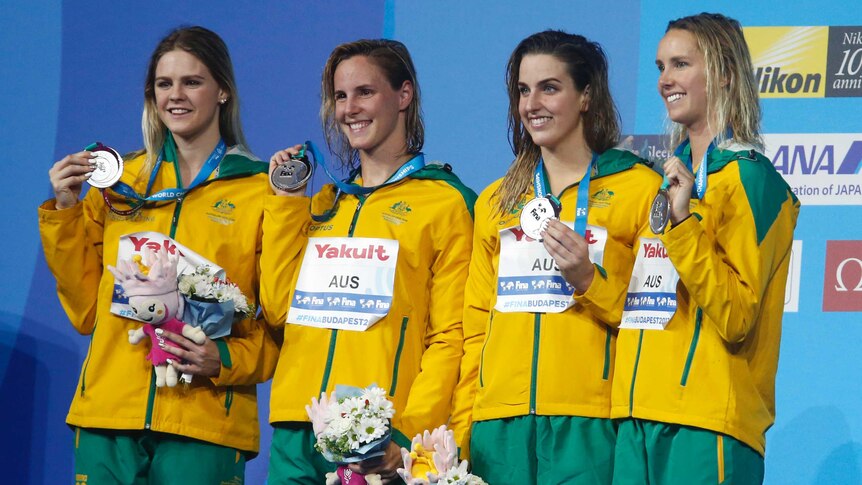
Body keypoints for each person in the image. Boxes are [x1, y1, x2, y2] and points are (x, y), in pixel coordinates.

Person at [39, 26, 274, 483]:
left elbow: (279, 326)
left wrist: (223, 361)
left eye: (193, 81)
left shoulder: (260, 190)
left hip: (204, 419)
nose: (176, 96)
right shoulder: (117, 185)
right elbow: (85, 310)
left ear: (223, 90)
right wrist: (66, 208)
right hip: (109, 416)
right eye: (164, 84)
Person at [449, 30, 662, 484]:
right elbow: (476, 331)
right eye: (523, 90)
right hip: (498, 424)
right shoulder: (495, 201)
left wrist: (590, 279)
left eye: (549, 87)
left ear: (586, 96)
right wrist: (461, 429)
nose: (531, 104)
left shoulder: (640, 191)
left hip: (590, 422)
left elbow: (656, 323)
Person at [260, 39, 476, 483]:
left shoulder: (446, 203)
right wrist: (286, 205)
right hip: (298, 429)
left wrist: (407, 431)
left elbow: (449, 337)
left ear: (403, 95)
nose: (349, 109)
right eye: (340, 96)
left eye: (364, 92)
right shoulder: (323, 204)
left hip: (375, 438)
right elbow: (280, 308)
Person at [611, 13, 800, 485]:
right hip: (637, 419)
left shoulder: (749, 179)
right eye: (659, 66)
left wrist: (681, 224)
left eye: (680, 64)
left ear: (725, 72)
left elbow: (736, 315)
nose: (664, 80)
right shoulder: (664, 182)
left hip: (706, 425)